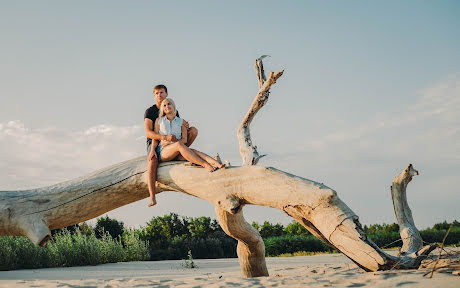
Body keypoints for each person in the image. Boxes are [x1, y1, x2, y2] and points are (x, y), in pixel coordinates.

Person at [144, 84, 198, 207]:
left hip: (174, 142)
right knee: (152, 161)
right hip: (156, 141)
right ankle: (152, 196)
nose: (159, 95)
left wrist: (186, 126)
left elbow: (177, 126)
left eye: (162, 92)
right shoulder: (150, 111)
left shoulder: (172, 108)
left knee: (194, 131)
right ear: (154, 96)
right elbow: (149, 132)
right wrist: (163, 138)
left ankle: (180, 153)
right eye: (157, 93)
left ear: (166, 94)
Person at [152, 98, 225, 173]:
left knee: (193, 151)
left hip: (177, 151)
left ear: (173, 106)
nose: (167, 106)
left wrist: (176, 143)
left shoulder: (182, 121)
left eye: (169, 104)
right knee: (179, 145)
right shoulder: (159, 120)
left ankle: (216, 163)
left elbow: (184, 140)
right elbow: (155, 137)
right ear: (162, 109)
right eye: (164, 105)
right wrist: (152, 150)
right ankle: (205, 164)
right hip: (163, 150)